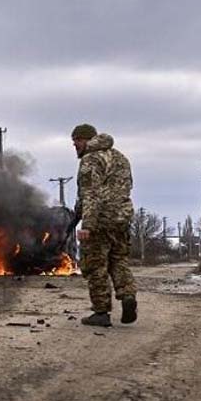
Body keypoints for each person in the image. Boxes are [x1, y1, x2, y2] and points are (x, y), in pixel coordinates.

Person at [72, 124, 138, 327]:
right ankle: (127, 296)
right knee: (118, 260)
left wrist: (87, 225)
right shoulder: (120, 158)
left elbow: (90, 194)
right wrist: (75, 215)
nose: (74, 145)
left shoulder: (90, 160)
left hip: (99, 222)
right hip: (121, 219)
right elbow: (126, 188)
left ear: (86, 139)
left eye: (76, 141)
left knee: (96, 266)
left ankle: (101, 312)